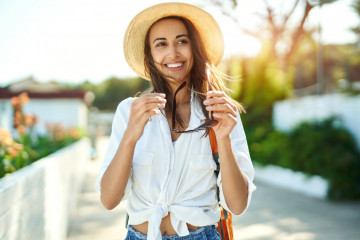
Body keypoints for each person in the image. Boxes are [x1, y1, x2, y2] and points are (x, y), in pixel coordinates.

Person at [95, 2, 256, 240]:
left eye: (182, 41)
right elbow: (109, 200)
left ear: (195, 48)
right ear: (149, 55)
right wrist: (130, 136)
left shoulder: (220, 112)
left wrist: (223, 139)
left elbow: (238, 205)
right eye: (161, 44)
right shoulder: (129, 111)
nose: (173, 53)